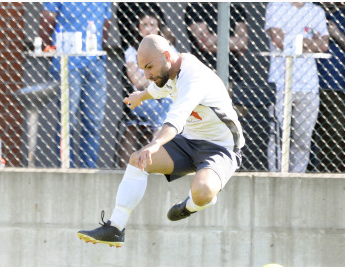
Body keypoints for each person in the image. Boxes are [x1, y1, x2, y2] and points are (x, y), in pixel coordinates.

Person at [76, 34, 244, 247]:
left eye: (149, 67)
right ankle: (115, 227)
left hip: (221, 148)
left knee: (202, 192)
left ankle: (189, 206)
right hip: (188, 141)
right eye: (142, 69)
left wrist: (155, 143)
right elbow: (159, 89)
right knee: (138, 160)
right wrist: (140, 96)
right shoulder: (169, 70)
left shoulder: (193, 77)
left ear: (166, 55)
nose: (146, 74)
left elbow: (176, 119)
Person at [38, 2, 111, 168]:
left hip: (95, 61)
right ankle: (66, 168)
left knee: (94, 121)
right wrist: (52, 51)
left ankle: (88, 168)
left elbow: (105, 26)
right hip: (67, 61)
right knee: (67, 120)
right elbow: (46, 21)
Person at [265, 2, 328, 173]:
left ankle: (296, 176)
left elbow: (324, 44)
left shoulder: (316, 11)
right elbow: (278, 40)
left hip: (309, 85)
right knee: (278, 135)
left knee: (303, 137)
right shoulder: (276, 6)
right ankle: (275, 174)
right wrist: (308, 42)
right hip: (280, 83)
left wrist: (292, 40)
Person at [119, 7, 175, 168]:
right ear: (138, 28)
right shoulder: (132, 50)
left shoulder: (167, 47)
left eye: (152, 24)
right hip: (143, 98)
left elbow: (175, 74)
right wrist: (160, 75)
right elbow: (136, 81)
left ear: (158, 27)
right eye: (145, 24)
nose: (149, 28)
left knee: (168, 105)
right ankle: (156, 164)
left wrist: (150, 75)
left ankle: (154, 161)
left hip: (165, 97)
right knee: (161, 116)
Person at [312, 3, 345, 173]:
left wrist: (337, 34)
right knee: (303, 137)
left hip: (336, 87)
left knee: (333, 139)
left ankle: (328, 174)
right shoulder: (308, 11)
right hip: (307, 85)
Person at [184, 2, 249, 84]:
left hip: (230, 69)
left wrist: (213, 40)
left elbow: (243, 43)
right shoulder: (196, 7)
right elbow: (205, 43)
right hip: (204, 69)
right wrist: (233, 44)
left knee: (226, 96)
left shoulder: (236, 8)